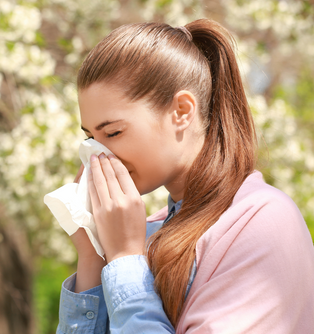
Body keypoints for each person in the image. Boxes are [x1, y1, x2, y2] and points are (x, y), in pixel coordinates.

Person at [56, 19, 314, 333]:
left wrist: (124, 258)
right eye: (91, 138)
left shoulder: (261, 222)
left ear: (181, 111)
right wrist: (93, 256)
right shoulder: (148, 233)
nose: (99, 155)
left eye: (113, 132)